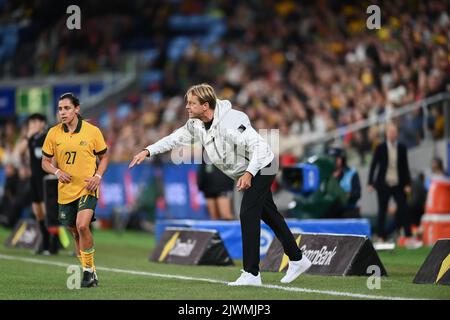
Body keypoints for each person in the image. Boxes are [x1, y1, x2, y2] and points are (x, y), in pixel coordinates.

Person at [129, 83, 311, 286]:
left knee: (247, 213)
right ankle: (297, 259)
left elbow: (260, 147)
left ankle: (251, 273)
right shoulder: (196, 124)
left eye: (191, 103)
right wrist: (148, 150)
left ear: (205, 105)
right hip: (246, 171)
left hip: (263, 165)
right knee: (270, 215)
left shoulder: (231, 122)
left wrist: (250, 173)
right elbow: (174, 139)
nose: (187, 107)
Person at [41, 93, 109, 288]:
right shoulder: (53, 133)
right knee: (75, 232)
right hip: (65, 191)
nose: (62, 112)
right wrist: (57, 171)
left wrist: (97, 177)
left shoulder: (92, 131)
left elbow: (104, 157)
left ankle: (87, 273)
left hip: (87, 188)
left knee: (82, 225)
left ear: (77, 109)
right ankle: (92, 271)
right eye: (60, 108)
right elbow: (44, 162)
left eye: (67, 108)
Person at [367, 123, 412, 242]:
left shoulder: (402, 148)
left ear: (397, 134)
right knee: (382, 210)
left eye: (394, 132)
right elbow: (373, 165)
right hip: (383, 184)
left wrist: (408, 184)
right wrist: (370, 182)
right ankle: (381, 236)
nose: (392, 134)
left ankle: (408, 235)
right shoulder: (380, 147)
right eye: (390, 132)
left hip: (398, 184)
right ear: (387, 134)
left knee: (404, 208)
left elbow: (405, 166)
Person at [27, 113, 59, 255]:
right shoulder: (32, 138)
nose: (32, 124)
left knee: (49, 212)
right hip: (34, 179)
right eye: (31, 122)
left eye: (35, 121)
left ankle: (54, 243)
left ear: (42, 123)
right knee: (38, 212)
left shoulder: (48, 135)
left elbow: (55, 155)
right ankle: (45, 241)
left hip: (45, 178)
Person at [197, 151, 234, 220]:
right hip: (208, 185)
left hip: (223, 185)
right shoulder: (206, 146)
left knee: (226, 215)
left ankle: (232, 230)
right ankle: (217, 231)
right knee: (214, 217)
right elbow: (203, 165)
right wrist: (200, 183)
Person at [328, 147, 361, 218]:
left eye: (336, 158)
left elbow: (357, 193)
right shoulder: (326, 173)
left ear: (342, 159)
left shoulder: (352, 173)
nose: (334, 161)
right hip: (330, 210)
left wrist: (346, 195)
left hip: (348, 209)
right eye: (332, 158)